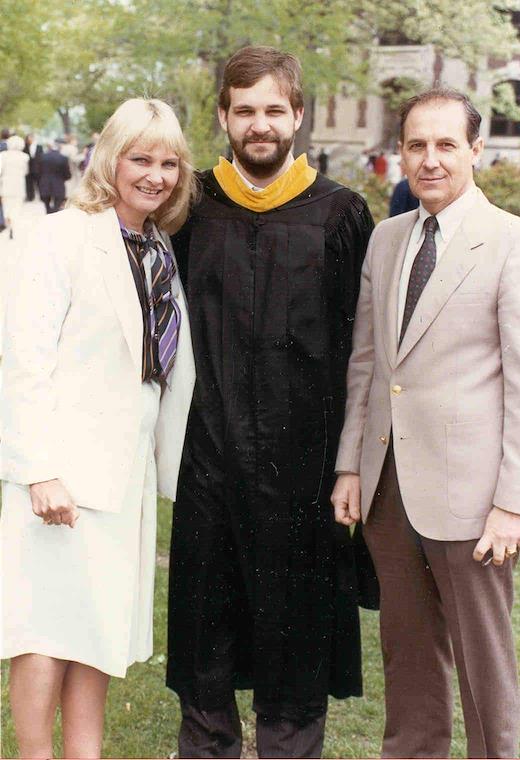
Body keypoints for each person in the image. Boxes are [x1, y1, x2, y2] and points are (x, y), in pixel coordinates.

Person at [167, 45, 374, 759]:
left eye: (274, 110)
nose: (260, 124)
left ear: (298, 115)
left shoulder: (340, 213)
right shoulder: (190, 206)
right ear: (223, 117)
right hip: (207, 459)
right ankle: (208, 747)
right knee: (206, 630)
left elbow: (364, 348)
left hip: (304, 470)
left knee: (298, 631)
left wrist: (350, 461)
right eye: (245, 110)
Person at [0, 97, 197, 760]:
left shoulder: (158, 248)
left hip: (124, 476)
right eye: (141, 159)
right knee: (44, 632)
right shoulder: (61, 237)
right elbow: (24, 361)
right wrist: (39, 470)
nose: (155, 176)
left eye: (169, 163)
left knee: (97, 635)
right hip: (60, 479)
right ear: (109, 159)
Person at [332, 87, 520, 758]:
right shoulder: (387, 240)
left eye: (446, 145)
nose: (430, 160)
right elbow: (367, 362)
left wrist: (511, 505)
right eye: (417, 145)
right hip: (389, 492)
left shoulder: (509, 242)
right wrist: (351, 466)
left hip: (473, 500)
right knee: (407, 660)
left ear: (476, 149)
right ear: (401, 153)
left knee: (486, 668)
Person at [0, 135, 29, 238]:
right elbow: (26, 171)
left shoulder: (3, 155)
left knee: (6, 206)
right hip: (19, 184)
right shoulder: (25, 157)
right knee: (16, 206)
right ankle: (13, 224)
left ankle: (8, 221)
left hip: (6, 184)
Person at [39, 140, 71, 213]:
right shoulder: (63, 158)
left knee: (47, 205)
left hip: (45, 182)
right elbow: (67, 173)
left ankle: (48, 212)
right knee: (57, 205)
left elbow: (38, 171)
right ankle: (54, 212)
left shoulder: (42, 156)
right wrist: (66, 178)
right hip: (59, 183)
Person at [23, 133, 43, 201]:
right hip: (28, 169)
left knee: (39, 184)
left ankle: (42, 197)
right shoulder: (25, 147)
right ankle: (30, 197)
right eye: (29, 138)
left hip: (38, 169)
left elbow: (41, 158)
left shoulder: (39, 147)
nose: (30, 139)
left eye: (32, 137)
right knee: (29, 184)